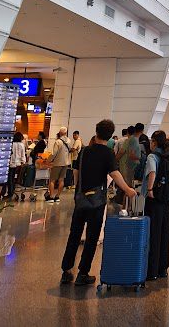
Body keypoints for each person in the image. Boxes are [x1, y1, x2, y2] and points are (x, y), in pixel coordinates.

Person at [60, 118, 136, 286]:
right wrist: (127, 189)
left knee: (75, 233)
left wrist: (78, 190)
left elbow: (76, 171)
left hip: (81, 199)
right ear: (109, 137)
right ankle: (83, 273)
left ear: (96, 132)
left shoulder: (85, 151)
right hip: (97, 202)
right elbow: (115, 174)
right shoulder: (107, 153)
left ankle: (66, 271)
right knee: (92, 237)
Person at [142, 130, 169, 280]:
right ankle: (163, 269)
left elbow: (152, 172)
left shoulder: (152, 156)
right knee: (164, 233)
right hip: (166, 200)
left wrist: (150, 189)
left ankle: (152, 271)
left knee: (153, 234)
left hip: (154, 200)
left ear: (154, 142)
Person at [116, 125, 140, 202]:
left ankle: (123, 203)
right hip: (132, 167)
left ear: (127, 132)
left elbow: (121, 152)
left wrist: (115, 160)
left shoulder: (129, 140)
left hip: (126, 166)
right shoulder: (135, 140)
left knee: (125, 185)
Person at [47, 127, 72, 202]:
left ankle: (51, 197)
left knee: (52, 180)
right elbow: (70, 150)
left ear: (60, 133)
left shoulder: (58, 142)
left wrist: (48, 160)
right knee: (61, 180)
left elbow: (54, 153)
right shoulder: (69, 141)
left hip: (57, 163)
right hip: (65, 163)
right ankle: (57, 197)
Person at [6, 131, 26, 198]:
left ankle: (10, 193)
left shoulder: (11, 144)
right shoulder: (22, 145)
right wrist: (23, 162)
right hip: (18, 164)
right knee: (14, 179)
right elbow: (23, 155)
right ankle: (12, 191)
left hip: (11, 163)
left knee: (10, 179)